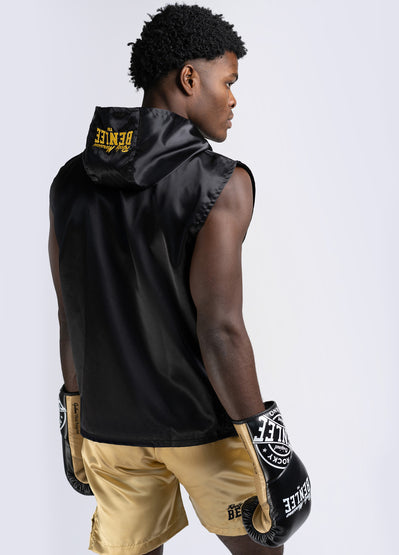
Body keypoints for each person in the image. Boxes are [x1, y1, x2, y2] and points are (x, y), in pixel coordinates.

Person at [48, 4, 311, 555]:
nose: (233, 99)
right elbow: (221, 330)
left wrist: (73, 417)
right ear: (189, 78)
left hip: (110, 431)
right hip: (201, 427)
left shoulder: (70, 182)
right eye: (228, 81)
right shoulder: (222, 183)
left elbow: (71, 315)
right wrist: (271, 449)